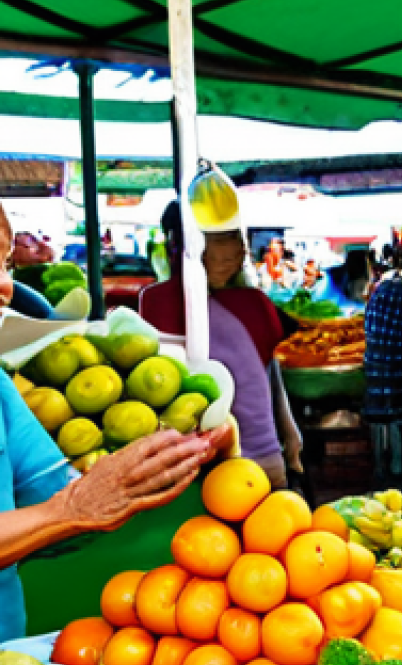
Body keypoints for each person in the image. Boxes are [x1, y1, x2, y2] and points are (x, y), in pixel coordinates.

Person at [0, 218, 227, 641]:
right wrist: (67, 512)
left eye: (4, 265)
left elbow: (51, 500)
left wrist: (149, 469)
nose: (5, 288)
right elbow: (61, 510)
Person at [139, 203, 294, 489]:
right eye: (219, 238)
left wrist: (290, 437)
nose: (236, 250)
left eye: (236, 237)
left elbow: (268, 375)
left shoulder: (254, 305)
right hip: (194, 467)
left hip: (258, 462)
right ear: (183, 244)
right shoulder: (160, 301)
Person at [363, 265, 402, 484]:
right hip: (399, 364)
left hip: (376, 360)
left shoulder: (380, 292)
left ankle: (381, 467)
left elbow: (368, 327)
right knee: (398, 415)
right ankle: (397, 468)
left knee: (378, 416)